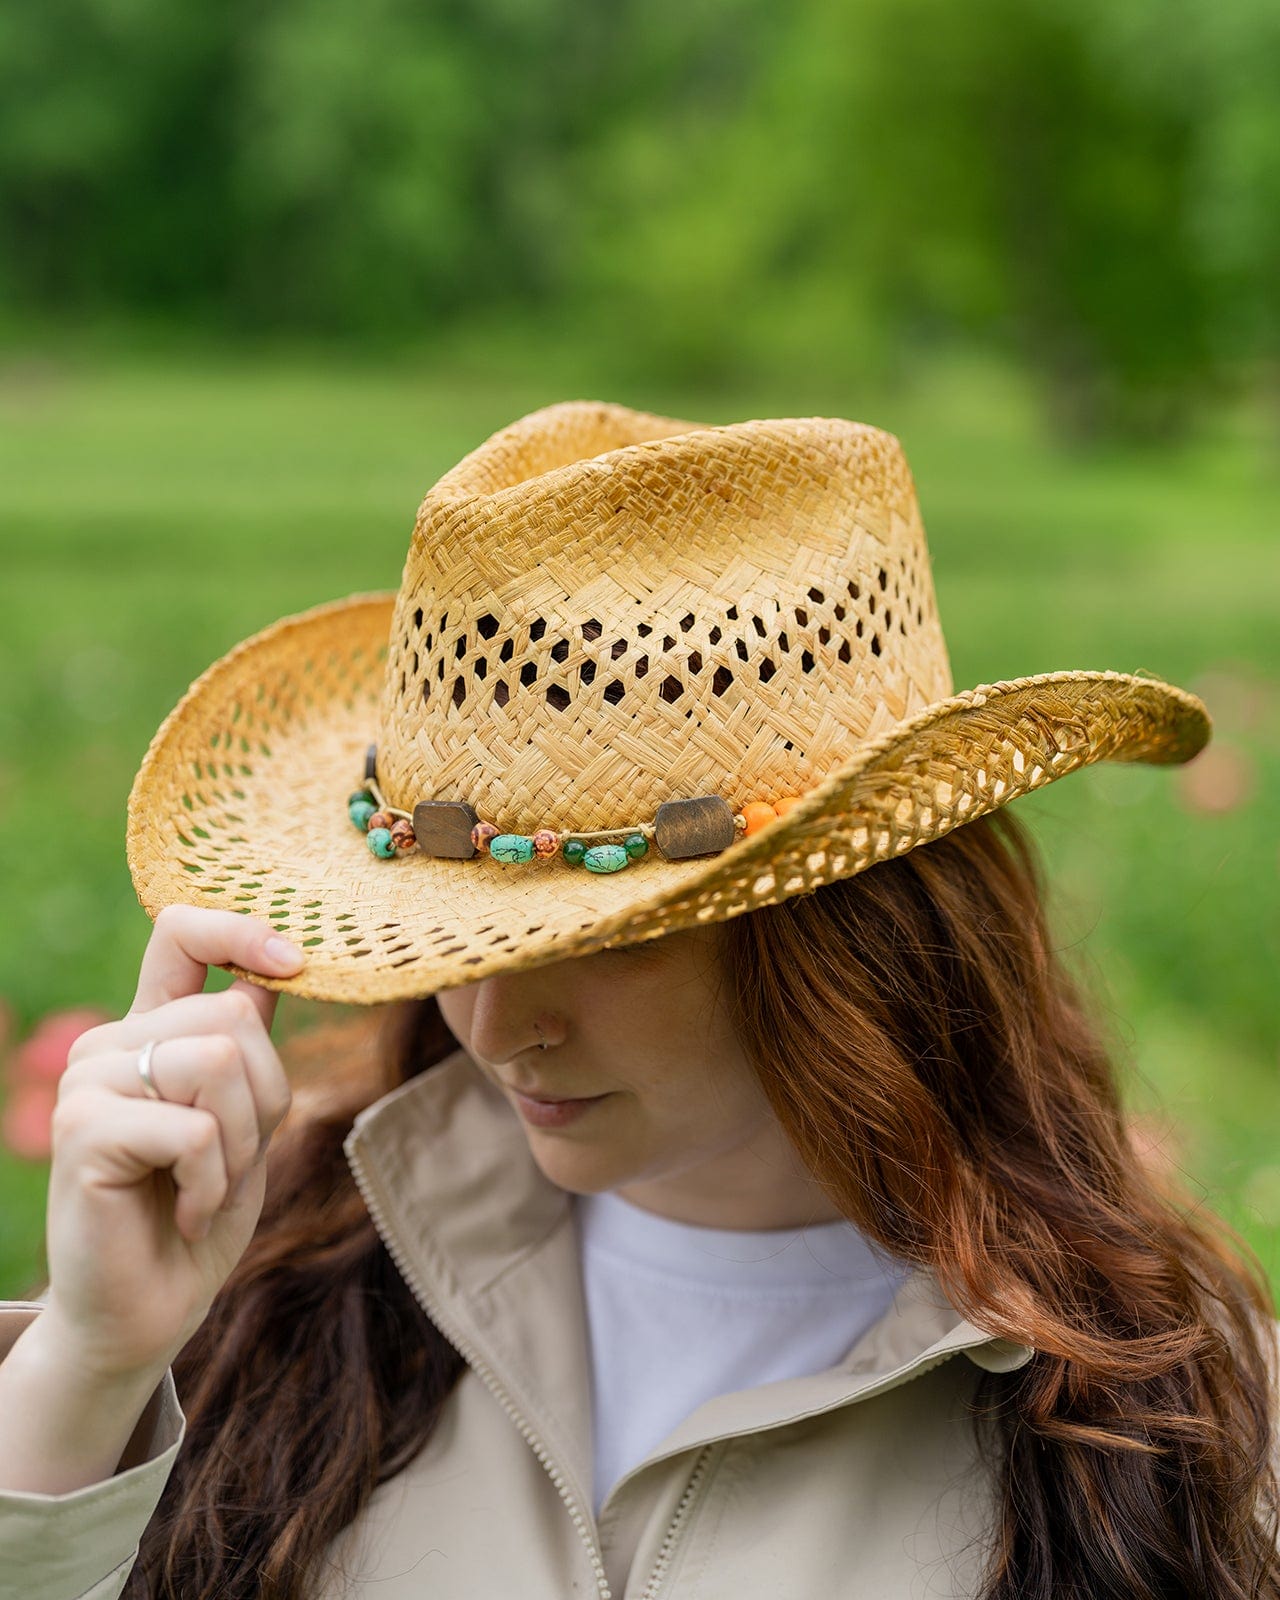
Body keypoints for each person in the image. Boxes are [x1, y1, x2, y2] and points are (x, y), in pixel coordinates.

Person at [1, 401, 1276, 1600]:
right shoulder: (281, 1275)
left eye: (617, 941)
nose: (497, 1028)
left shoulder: (1163, 1409)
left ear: (850, 932)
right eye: (452, 938)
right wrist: (86, 1374)